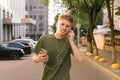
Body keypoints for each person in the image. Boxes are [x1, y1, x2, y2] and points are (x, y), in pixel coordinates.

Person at [32, 12, 83, 80]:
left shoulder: (69, 42)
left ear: (70, 29)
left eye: (67, 26)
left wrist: (71, 41)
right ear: (56, 24)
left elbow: (80, 59)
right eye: (62, 24)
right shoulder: (44, 39)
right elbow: (34, 58)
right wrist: (38, 58)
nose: (64, 28)